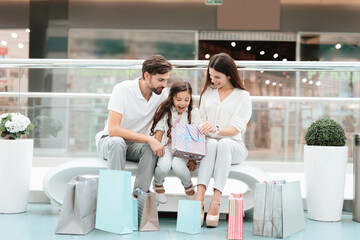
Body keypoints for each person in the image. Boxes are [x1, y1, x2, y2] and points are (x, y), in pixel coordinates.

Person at [95, 55, 172, 193]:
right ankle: (115, 195)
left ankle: (139, 196)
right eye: (160, 80)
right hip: (110, 141)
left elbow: (163, 121)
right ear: (147, 76)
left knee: (150, 148)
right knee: (118, 142)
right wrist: (149, 138)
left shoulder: (162, 93)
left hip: (134, 146)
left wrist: (156, 141)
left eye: (166, 80)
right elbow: (113, 130)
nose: (164, 85)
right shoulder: (122, 89)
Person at [195, 53, 252, 227]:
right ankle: (199, 198)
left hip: (234, 146)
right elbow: (199, 119)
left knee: (224, 143)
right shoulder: (208, 93)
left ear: (229, 74)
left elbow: (237, 128)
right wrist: (203, 127)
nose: (213, 80)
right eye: (211, 76)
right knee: (212, 143)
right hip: (209, 145)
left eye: (217, 77)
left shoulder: (243, 96)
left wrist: (216, 129)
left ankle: (216, 200)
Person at [149, 81, 200, 204]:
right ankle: (158, 184)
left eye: (186, 100)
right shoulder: (165, 111)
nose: (183, 103)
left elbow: (195, 136)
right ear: (172, 98)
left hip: (184, 149)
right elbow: (159, 128)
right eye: (179, 99)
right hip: (166, 146)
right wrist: (157, 145)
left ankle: (188, 186)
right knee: (163, 166)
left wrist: (193, 159)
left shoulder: (193, 113)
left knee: (178, 165)